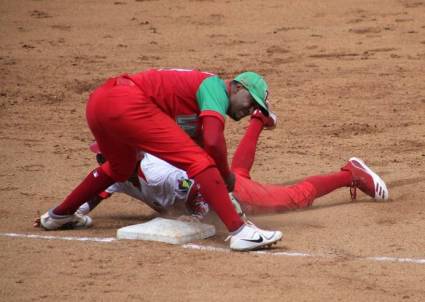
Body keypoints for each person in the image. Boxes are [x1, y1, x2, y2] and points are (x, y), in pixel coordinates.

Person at [38, 68, 282, 251]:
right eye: (251, 102)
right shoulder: (214, 87)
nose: (249, 110)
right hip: (127, 100)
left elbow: (201, 145)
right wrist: (226, 176)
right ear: (237, 87)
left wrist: (219, 185)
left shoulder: (194, 106)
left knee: (121, 168)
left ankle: (59, 215)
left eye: (255, 109)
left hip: (99, 103)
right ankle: (240, 233)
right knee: (199, 161)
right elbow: (213, 141)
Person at [64, 109, 388, 225]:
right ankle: (259, 119)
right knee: (240, 173)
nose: (102, 161)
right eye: (100, 156)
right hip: (209, 175)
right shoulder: (119, 175)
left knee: (292, 198)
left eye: (105, 156)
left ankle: (351, 173)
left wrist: (202, 217)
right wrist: (68, 213)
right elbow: (91, 195)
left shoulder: (159, 170)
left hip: (213, 186)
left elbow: (199, 194)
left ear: (129, 154)